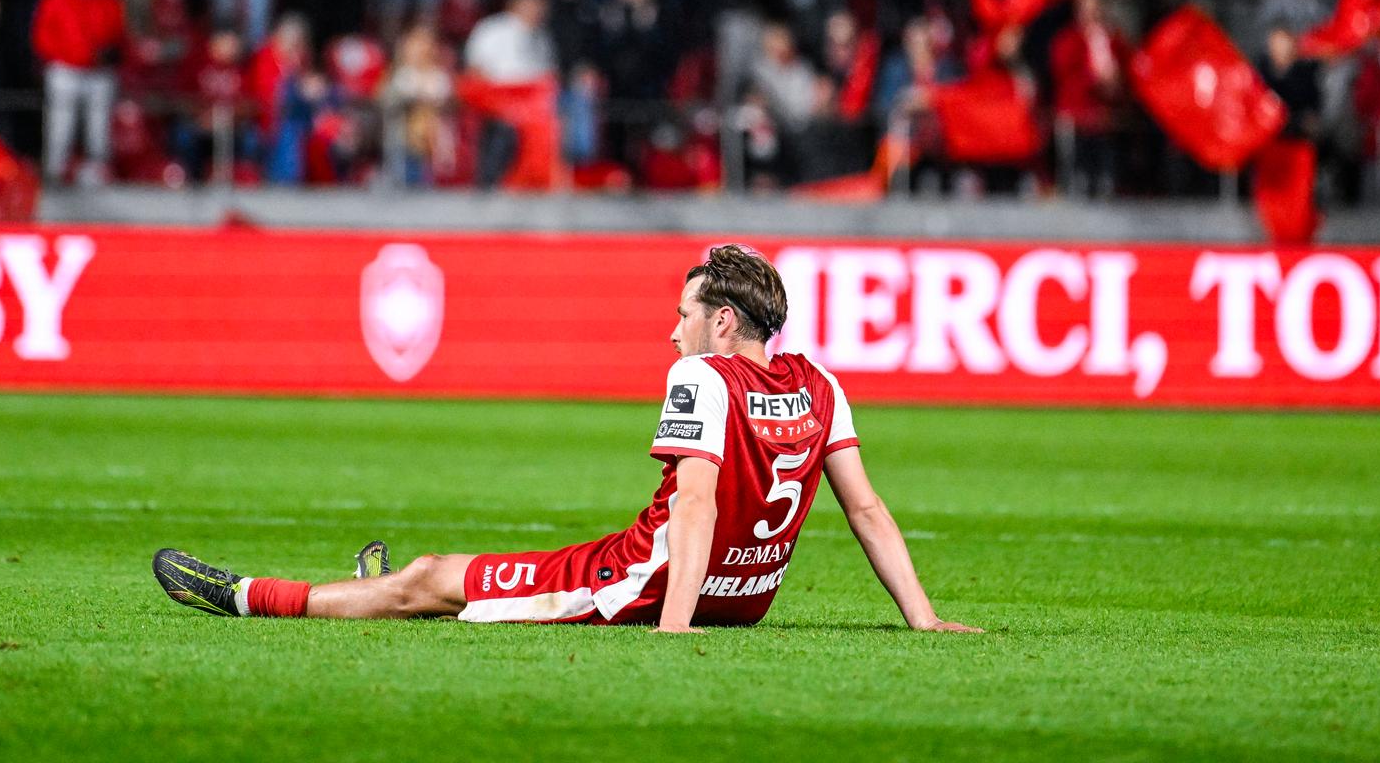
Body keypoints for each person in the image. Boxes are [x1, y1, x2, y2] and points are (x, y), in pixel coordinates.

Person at [152, 244, 980, 634]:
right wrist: (925, 620)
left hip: (638, 583)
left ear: (723, 321)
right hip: (747, 601)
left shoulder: (703, 377)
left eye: (686, 314)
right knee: (433, 585)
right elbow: (865, 508)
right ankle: (362, 589)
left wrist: (675, 625)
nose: (673, 332)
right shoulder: (820, 383)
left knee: (429, 581)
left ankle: (248, 595)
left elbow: (693, 506)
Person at [31, 0, 127, 184]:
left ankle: (97, 177)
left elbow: (119, 35)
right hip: (66, 71)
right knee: (61, 127)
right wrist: (72, 56)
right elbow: (42, 38)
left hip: (99, 74)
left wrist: (109, 54)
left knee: (99, 130)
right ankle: (54, 174)